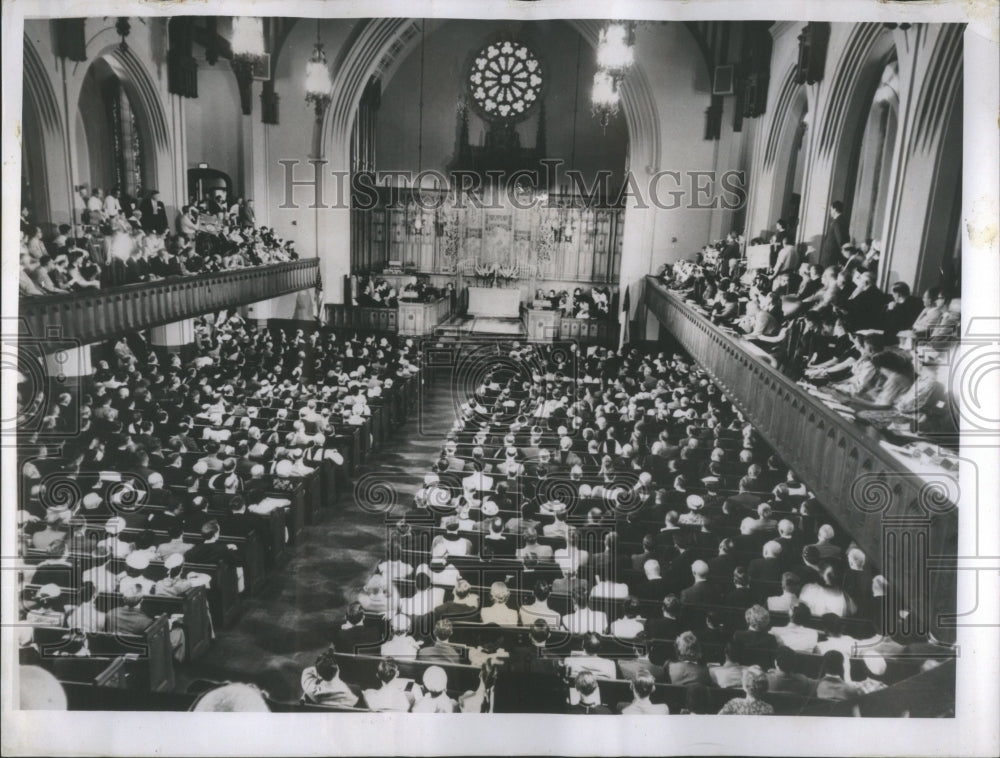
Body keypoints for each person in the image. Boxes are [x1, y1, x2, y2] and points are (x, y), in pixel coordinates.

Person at [819, 201, 848, 268]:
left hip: (831, 256)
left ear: (834, 210)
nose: (830, 212)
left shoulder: (838, 222)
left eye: (831, 209)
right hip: (830, 255)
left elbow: (841, 241)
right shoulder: (839, 220)